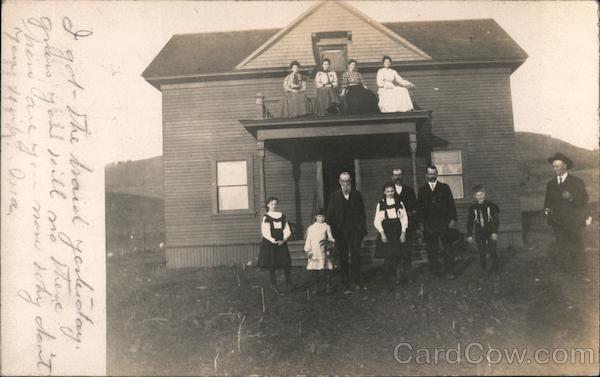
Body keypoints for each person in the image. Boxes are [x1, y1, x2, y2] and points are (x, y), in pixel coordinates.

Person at [543, 153, 589, 273]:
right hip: (558, 222)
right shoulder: (551, 184)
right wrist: (547, 210)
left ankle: (582, 272)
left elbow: (584, 200)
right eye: (553, 166)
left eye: (557, 166)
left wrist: (571, 198)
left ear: (564, 166)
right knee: (561, 247)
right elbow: (547, 201)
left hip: (573, 222)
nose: (555, 169)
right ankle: (567, 273)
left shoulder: (576, 182)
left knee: (577, 247)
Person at [327, 172, 367, 290]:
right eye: (343, 181)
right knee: (343, 257)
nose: (345, 184)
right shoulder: (334, 196)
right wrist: (331, 232)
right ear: (340, 182)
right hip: (340, 232)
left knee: (355, 255)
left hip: (355, 231)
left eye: (348, 181)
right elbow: (330, 215)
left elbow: (362, 214)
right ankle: (345, 282)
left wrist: (361, 230)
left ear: (350, 182)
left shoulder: (357, 195)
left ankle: (356, 280)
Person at [417, 165, 458, 279]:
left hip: (444, 222)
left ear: (437, 174)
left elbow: (451, 204)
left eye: (434, 173)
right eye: (430, 174)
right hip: (429, 224)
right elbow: (420, 208)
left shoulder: (444, 187)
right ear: (426, 175)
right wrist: (421, 224)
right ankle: (435, 271)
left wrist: (453, 219)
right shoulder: (422, 190)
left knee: (447, 247)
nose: (432, 176)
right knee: (432, 248)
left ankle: (449, 271)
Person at [374, 182, 409, 290]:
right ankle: (388, 279)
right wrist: (382, 233)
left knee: (398, 256)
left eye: (392, 191)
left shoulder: (399, 203)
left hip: (397, 231)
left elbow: (404, 219)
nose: (390, 193)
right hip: (387, 232)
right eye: (388, 191)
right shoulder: (381, 204)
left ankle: (399, 278)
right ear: (384, 192)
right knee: (388, 256)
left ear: (394, 191)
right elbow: (377, 221)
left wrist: (403, 232)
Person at [257, 197, 293, 293]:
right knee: (271, 263)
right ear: (268, 205)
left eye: (275, 204)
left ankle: (288, 283)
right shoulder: (266, 217)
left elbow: (286, 229)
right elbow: (265, 232)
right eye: (272, 204)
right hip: (271, 243)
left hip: (282, 242)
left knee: (286, 263)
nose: (274, 206)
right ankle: (274, 284)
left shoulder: (281, 216)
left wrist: (284, 239)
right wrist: (274, 240)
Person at [466, 185, 500, 273]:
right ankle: (484, 270)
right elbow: (470, 222)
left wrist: (494, 232)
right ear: (474, 196)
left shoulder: (491, 206)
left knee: (493, 250)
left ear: (484, 194)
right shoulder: (472, 208)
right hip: (479, 232)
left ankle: (496, 270)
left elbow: (496, 220)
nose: (480, 197)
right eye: (477, 195)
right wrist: (469, 235)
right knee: (482, 252)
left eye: (481, 194)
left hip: (490, 231)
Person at [391, 168, 417, 283]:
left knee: (407, 251)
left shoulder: (409, 190)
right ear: (392, 177)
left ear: (403, 176)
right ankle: (397, 276)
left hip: (407, 226)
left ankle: (408, 275)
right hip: (393, 227)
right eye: (395, 175)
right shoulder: (389, 191)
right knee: (396, 252)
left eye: (400, 175)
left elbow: (414, 208)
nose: (398, 177)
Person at [304, 208, 335, 294]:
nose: (321, 218)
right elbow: (308, 240)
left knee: (326, 268)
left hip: (324, 250)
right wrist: (308, 250)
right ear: (316, 217)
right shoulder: (311, 228)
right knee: (315, 269)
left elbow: (330, 237)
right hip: (314, 251)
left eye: (323, 216)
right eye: (319, 216)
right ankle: (316, 286)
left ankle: (328, 286)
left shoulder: (327, 226)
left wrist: (330, 245)